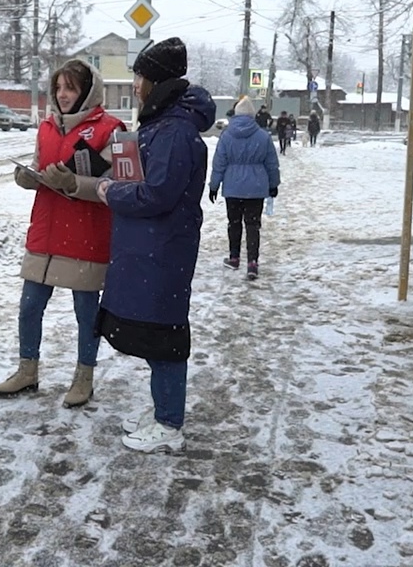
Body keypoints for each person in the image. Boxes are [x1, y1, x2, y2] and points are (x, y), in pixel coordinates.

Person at [93, 36, 213, 453]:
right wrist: (123, 159)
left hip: (163, 250)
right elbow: (145, 182)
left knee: (165, 336)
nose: (136, 86)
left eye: (140, 77)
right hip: (149, 248)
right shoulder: (161, 125)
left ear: (156, 81)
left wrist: (112, 192)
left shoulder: (175, 132)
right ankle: (163, 407)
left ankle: (169, 422)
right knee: (151, 331)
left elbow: (157, 194)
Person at [0, 58, 125, 407]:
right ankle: (27, 369)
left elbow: (122, 184)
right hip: (46, 230)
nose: (62, 94)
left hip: (86, 233)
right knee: (29, 307)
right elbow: (41, 165)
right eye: (58, 88)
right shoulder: (47, 126)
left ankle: (84, 377)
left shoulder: (112, 128)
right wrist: (29, 177)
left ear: (87, 91)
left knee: (85, 312)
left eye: (71, 87)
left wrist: (75, 183)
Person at [208, 96, 280, 280]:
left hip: (232, 187)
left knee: (234, 223)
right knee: (253, 224)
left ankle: (234, 257)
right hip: (256, 188)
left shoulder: (227, 135)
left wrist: (214, 186)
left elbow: (219, 163)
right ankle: (253, 263)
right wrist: (273, 185)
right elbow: (272, 163)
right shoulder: (263, 136)